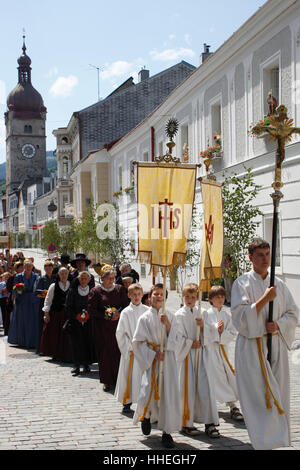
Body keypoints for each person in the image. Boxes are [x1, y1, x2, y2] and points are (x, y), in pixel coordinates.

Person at [231, 238, 299, 450]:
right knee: (257, 398)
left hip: (276, 346)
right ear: (250, 257)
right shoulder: (241, 283)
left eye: (268, 254)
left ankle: (277, 438)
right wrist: (264, 299)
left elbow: (294, 314)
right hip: (252, 348)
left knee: (277, 392)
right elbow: (239, 318)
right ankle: (261, 441)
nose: (265, 259)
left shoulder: (280, 283)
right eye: (260, 255)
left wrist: (278, 325)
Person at [132, 283, 181, 449]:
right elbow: (137, 342)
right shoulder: (144, 318)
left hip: (168, 361)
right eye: (155, 294)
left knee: (168, 395)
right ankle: (145, 416)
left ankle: (167, 433)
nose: (159, 297)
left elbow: (178, 338)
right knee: (148, 392)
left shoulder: (172, 316)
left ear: (166, 298)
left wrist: (168, 324)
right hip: (152, 362)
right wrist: (153, 354)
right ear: (149, 297)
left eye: (161, 294)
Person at [175, 283, 220, 438]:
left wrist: (204, 328)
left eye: (193, 297)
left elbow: (213, 333)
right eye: (187, 296)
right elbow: (176, 337)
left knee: (205, 388)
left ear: (197, 298)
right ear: (183, 296)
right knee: (187, 390)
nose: (190, 299)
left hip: (201, 355)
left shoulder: (203, 313)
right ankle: (186, 422)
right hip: (187, 356)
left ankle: (209, 423)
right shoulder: (179, 315)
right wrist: (188, 343)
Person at [202, 285, 243, 421]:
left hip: (224, 350)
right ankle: (226, 403)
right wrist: (215, 330)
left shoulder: (226, 315)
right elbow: (204, 332)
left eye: (222, 297)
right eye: (216, 297)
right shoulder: (206, 314)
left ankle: (232, 404)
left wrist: (222, 334)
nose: (220, 299)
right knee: (215, 378)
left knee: (228, 376)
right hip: (211, 351)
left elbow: (232, 332)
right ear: (211, 299)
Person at [88, 265, 129, 391]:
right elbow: (91, 309)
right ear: (102, 279)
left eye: (113, 278)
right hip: (102, 328)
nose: (111, 281)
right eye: (109, 278)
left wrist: (119, 314)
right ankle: (106, 380)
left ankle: (118, 379)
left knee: (117, 352)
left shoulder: (120, 289)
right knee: (104, 354)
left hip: (118, 326)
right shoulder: (95, 291)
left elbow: (126, 305)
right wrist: (105, 316)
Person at [115, 283, 148, 413]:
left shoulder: (147, 310)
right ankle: (127, 401)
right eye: (133, 295)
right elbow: (120, 332)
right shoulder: (125, 312)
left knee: (143, 377)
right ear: (129, 296)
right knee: (128, 375)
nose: (136, 297)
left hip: (144, 349)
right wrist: (129, 347)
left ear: (142, 295)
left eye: (139, 294)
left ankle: (145, 401)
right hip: (131, 351)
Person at [66, 271, 95, 376]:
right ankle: (76, 365)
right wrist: (76, 316)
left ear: (89, 280)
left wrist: (88, 315)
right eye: (81, 278)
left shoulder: (92, 291)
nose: (83, 280)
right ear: (78, 279)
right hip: (75, 322)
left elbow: (94, 305)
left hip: (88, 322)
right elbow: (68, 306)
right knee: (76, 344)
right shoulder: (72, 291)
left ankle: (87, 364)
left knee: (87, 342)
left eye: (85, 278)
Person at [40, 267, 72, 362]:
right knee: (55, 335)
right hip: (56, 314)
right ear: (58, 275)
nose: (63, 275)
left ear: (68, 274)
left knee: (67, 335)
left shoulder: (72, 285)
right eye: (61, 273)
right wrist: (46, 313)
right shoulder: (53, 286)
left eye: (65, 273)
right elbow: (48, 300)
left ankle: (67, 355)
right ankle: (56, 354)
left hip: (67, 314)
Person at [8, 259, 40, 349]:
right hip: (22, 300)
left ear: (32, 266)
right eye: (26, 266)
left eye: (30, 266)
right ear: (24, 267)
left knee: (32, 321)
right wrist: (18, 291)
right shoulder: (18, 276)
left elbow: (39, 287)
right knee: (22, 321)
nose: (28, 268)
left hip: (33, 301)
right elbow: (14, 287)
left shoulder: (37, 276)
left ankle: (33, 341)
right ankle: (22, 341)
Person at [35, 260, 56, 355]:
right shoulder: (41, 279)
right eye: (46, 268)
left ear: (53, 268)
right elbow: (36, 291)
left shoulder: (56, 278)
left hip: (54, 305)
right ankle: (41, 348)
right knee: (42, 327)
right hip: (43, 304)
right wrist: (45, 292)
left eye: (50, 268)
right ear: (44, 269)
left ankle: (53, 348)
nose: (48, 270)